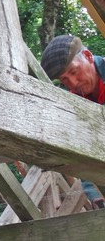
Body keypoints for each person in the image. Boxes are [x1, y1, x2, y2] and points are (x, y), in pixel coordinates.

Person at [41, 34, 105, 209]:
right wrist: (95, 193)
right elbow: (83, 155)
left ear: (89, 57)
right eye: (65, 80)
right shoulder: (73, 105)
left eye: (74, 72)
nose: (74, 83)